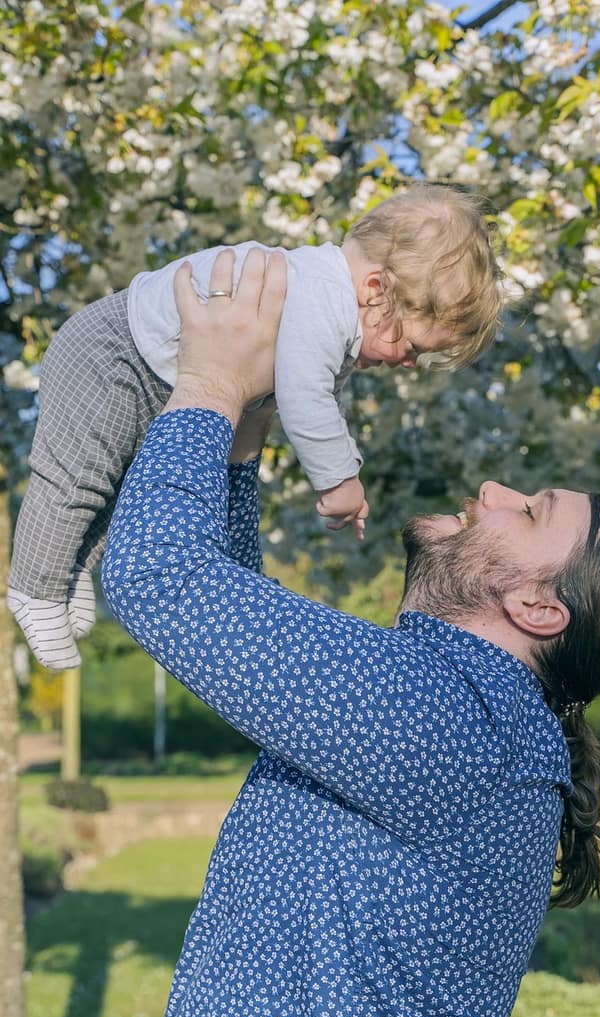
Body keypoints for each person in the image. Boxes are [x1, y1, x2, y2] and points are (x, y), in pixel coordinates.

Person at [101, 249, 600, 1017]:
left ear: (540, 609)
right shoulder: (471, 715)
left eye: (531, 511)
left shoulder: (447, 719)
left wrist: (207, 386)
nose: (491, 492)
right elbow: (236, 620)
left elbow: (158, 577)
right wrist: (247, 429)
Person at [8, 183, 502, 672]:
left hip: (149, 371)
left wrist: (342, 457)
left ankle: (69, 570)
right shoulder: (324, 298)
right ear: (376, 290)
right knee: (79, 478)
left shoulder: (337, 313)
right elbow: (306, 396)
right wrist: (340, 480)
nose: (409, 363)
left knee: (113, 485)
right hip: (114, 350)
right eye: (413, 347)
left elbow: (323, 399)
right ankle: (34, 587)